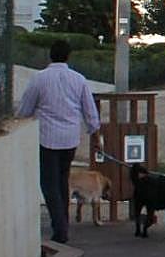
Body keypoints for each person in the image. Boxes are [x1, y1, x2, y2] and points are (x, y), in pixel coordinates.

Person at [16, 39, 101, 245]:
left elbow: (25, 108)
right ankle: (64, 223)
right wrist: (95, 134)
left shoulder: (39, 78)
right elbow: (90, 111)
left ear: (50, 56)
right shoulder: (79, 79)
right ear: (68, 57)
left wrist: (18, 119)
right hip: (70, 138)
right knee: (63, 180)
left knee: (49, 183)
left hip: (47, 138)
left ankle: (60, 227)